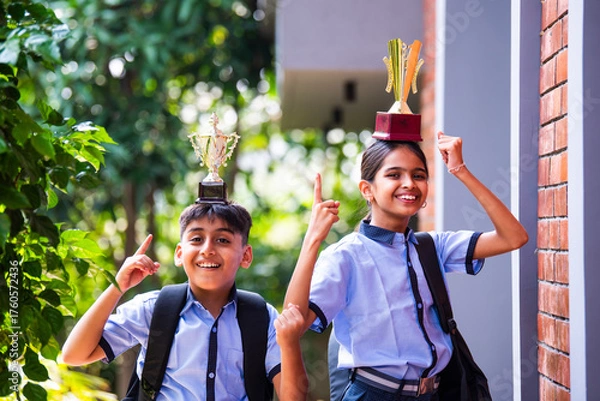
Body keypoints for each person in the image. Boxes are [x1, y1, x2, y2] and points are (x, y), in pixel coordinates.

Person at [284, 132, 529, 401]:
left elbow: (513, 237)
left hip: (434, 393)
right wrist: (312, 240)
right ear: (367, 190)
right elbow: (293, 320)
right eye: (394, 175)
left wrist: (460, 171)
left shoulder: (432, 246)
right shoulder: (345, 256)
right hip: (374, 394)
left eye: (418, 175)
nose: (409, 184)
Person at [62, 201, 308, 401]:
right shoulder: (153, 309)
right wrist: (117, 287)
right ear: (180, 254)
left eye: (223, 240)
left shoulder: (261, 317)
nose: (208, 249)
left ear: (246, 255)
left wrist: (288, 342)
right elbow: (74, 355)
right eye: (197, 239)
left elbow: (294, 397)